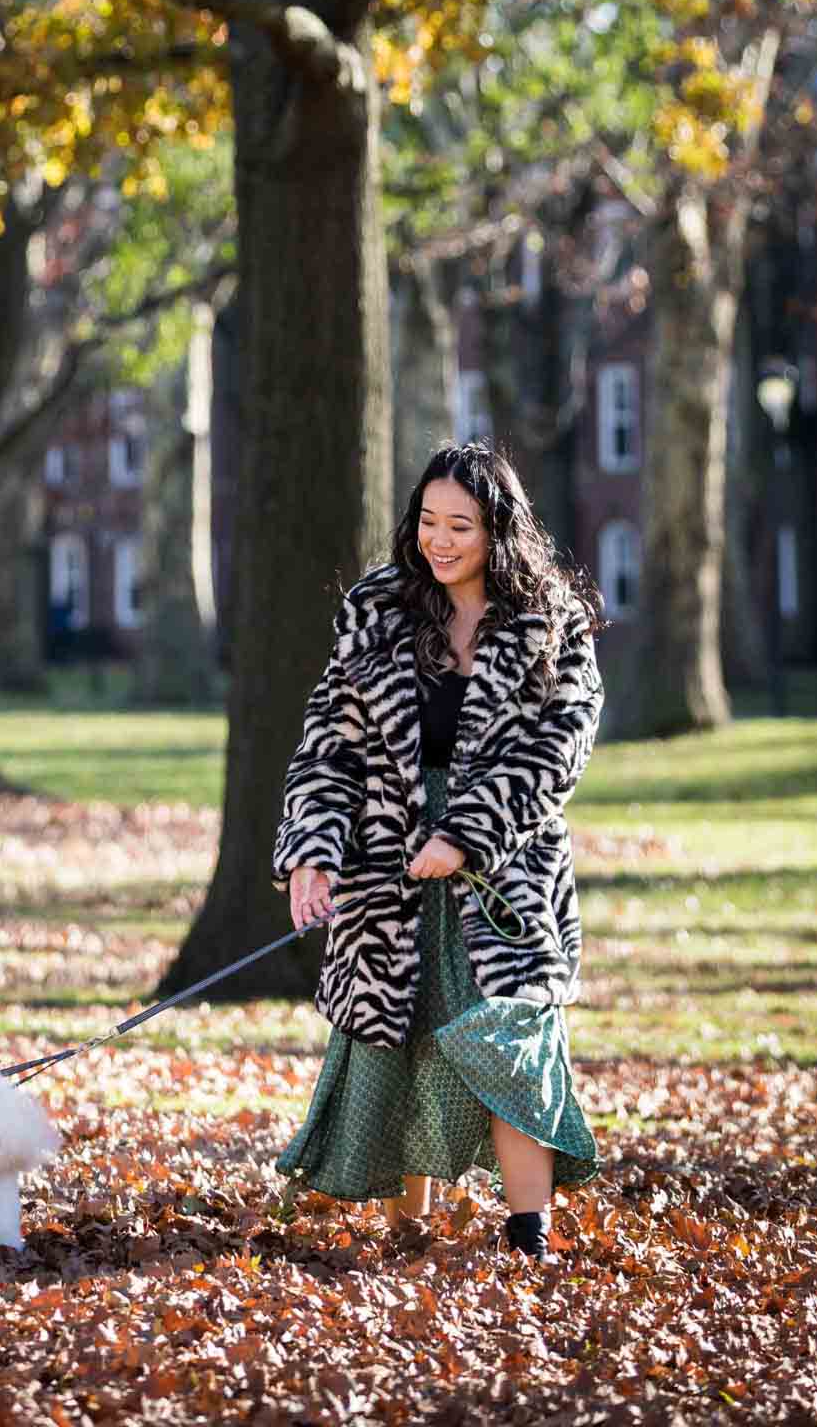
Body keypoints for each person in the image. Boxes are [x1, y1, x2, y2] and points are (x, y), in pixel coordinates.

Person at [272, 442, 604, 1261]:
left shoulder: (548, 619)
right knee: (400, 1030)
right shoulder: (377, 610)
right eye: (427, 520)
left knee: (508, 1034)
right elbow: (329, 746)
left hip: (505, 872)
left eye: (460, 524)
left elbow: (556, 750)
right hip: (388, 862)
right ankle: (407, 1237)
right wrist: (314, 852)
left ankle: (529, 1235)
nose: (439, 540)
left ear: (499, 530)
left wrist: (465, 835)